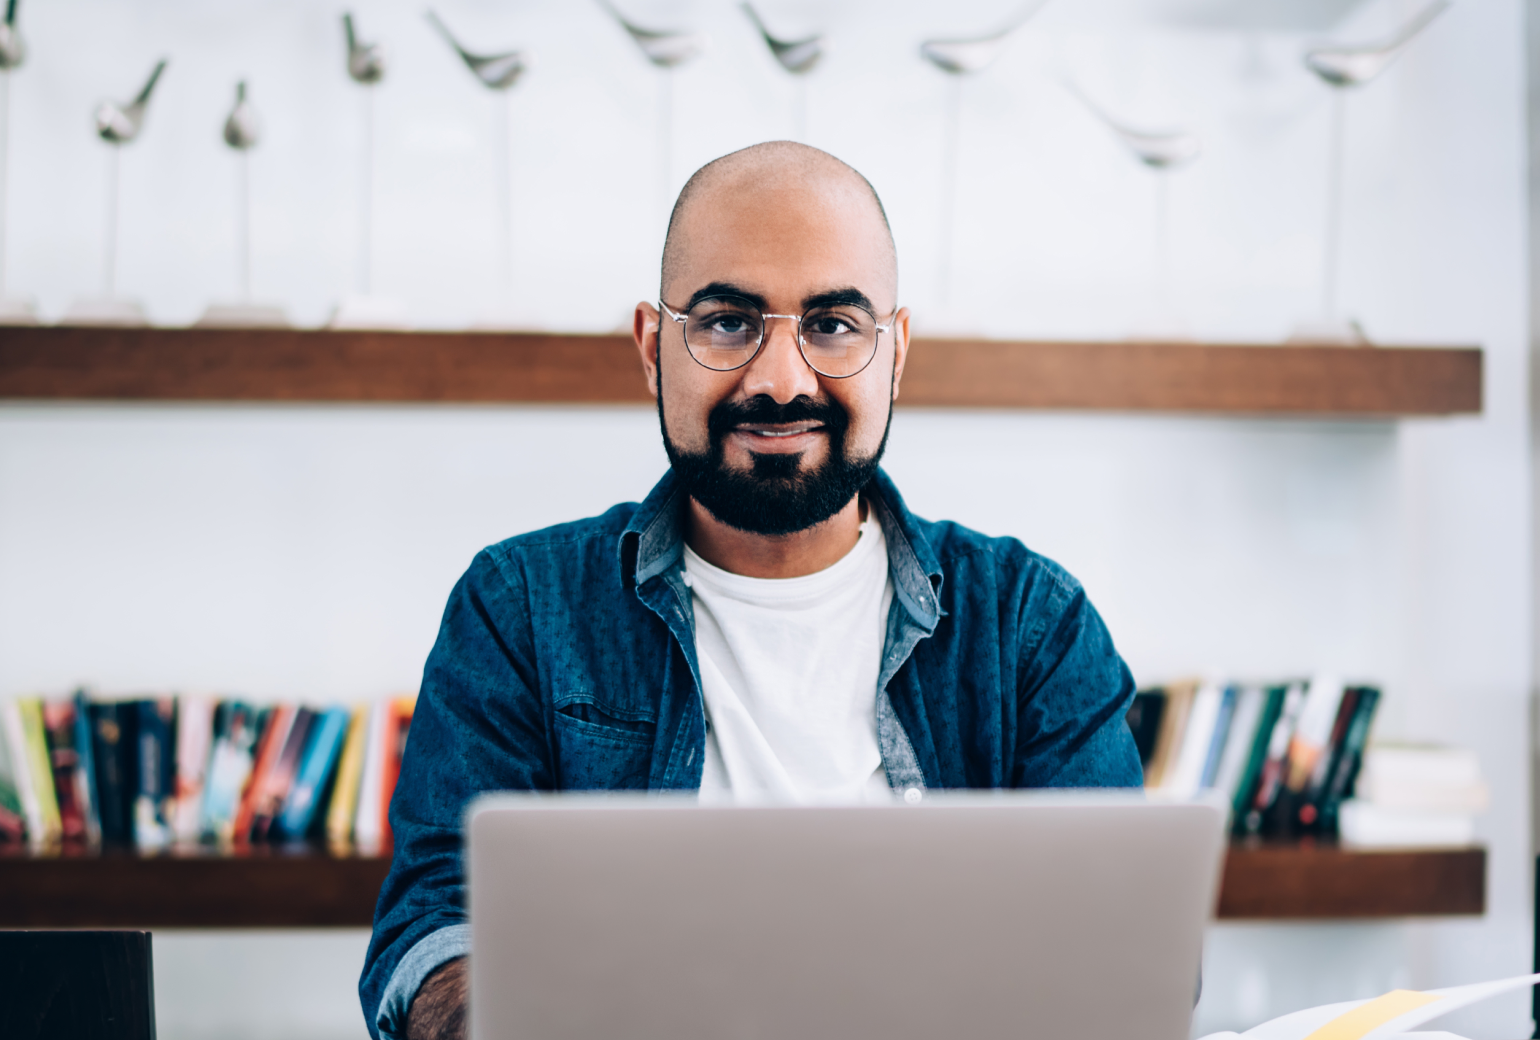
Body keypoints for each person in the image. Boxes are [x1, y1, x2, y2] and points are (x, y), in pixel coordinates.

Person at [358, 141, 1143, 1040]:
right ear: (654, 349)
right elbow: (432, 933)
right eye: (729, 322)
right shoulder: (520, 608)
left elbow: (1118, 963)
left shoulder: (1031, 626)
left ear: (897, 354)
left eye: (834, 325)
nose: (780, 380)